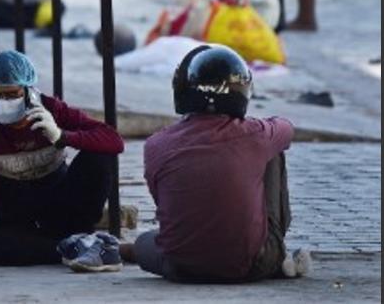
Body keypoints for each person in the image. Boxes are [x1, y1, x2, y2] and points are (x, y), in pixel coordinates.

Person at [120, 44, 311, 283]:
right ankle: (275, 253)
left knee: (145, 242)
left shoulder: (156, 144)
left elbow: (164, 202)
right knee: (273, 148)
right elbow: (287, 128)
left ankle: (123, 250)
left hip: (181, 267)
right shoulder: (256, 134)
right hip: (251, 265)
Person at [0, 50, 125, 270]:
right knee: (0, 249)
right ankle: (74, 247)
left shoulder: (52, 108)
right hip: (15, 212)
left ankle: (79, 238)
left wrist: (62, 136)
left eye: (11, 95)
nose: (3, 103)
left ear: (30, 92)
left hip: (60, 204)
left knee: (98, 155)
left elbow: (113, 140)